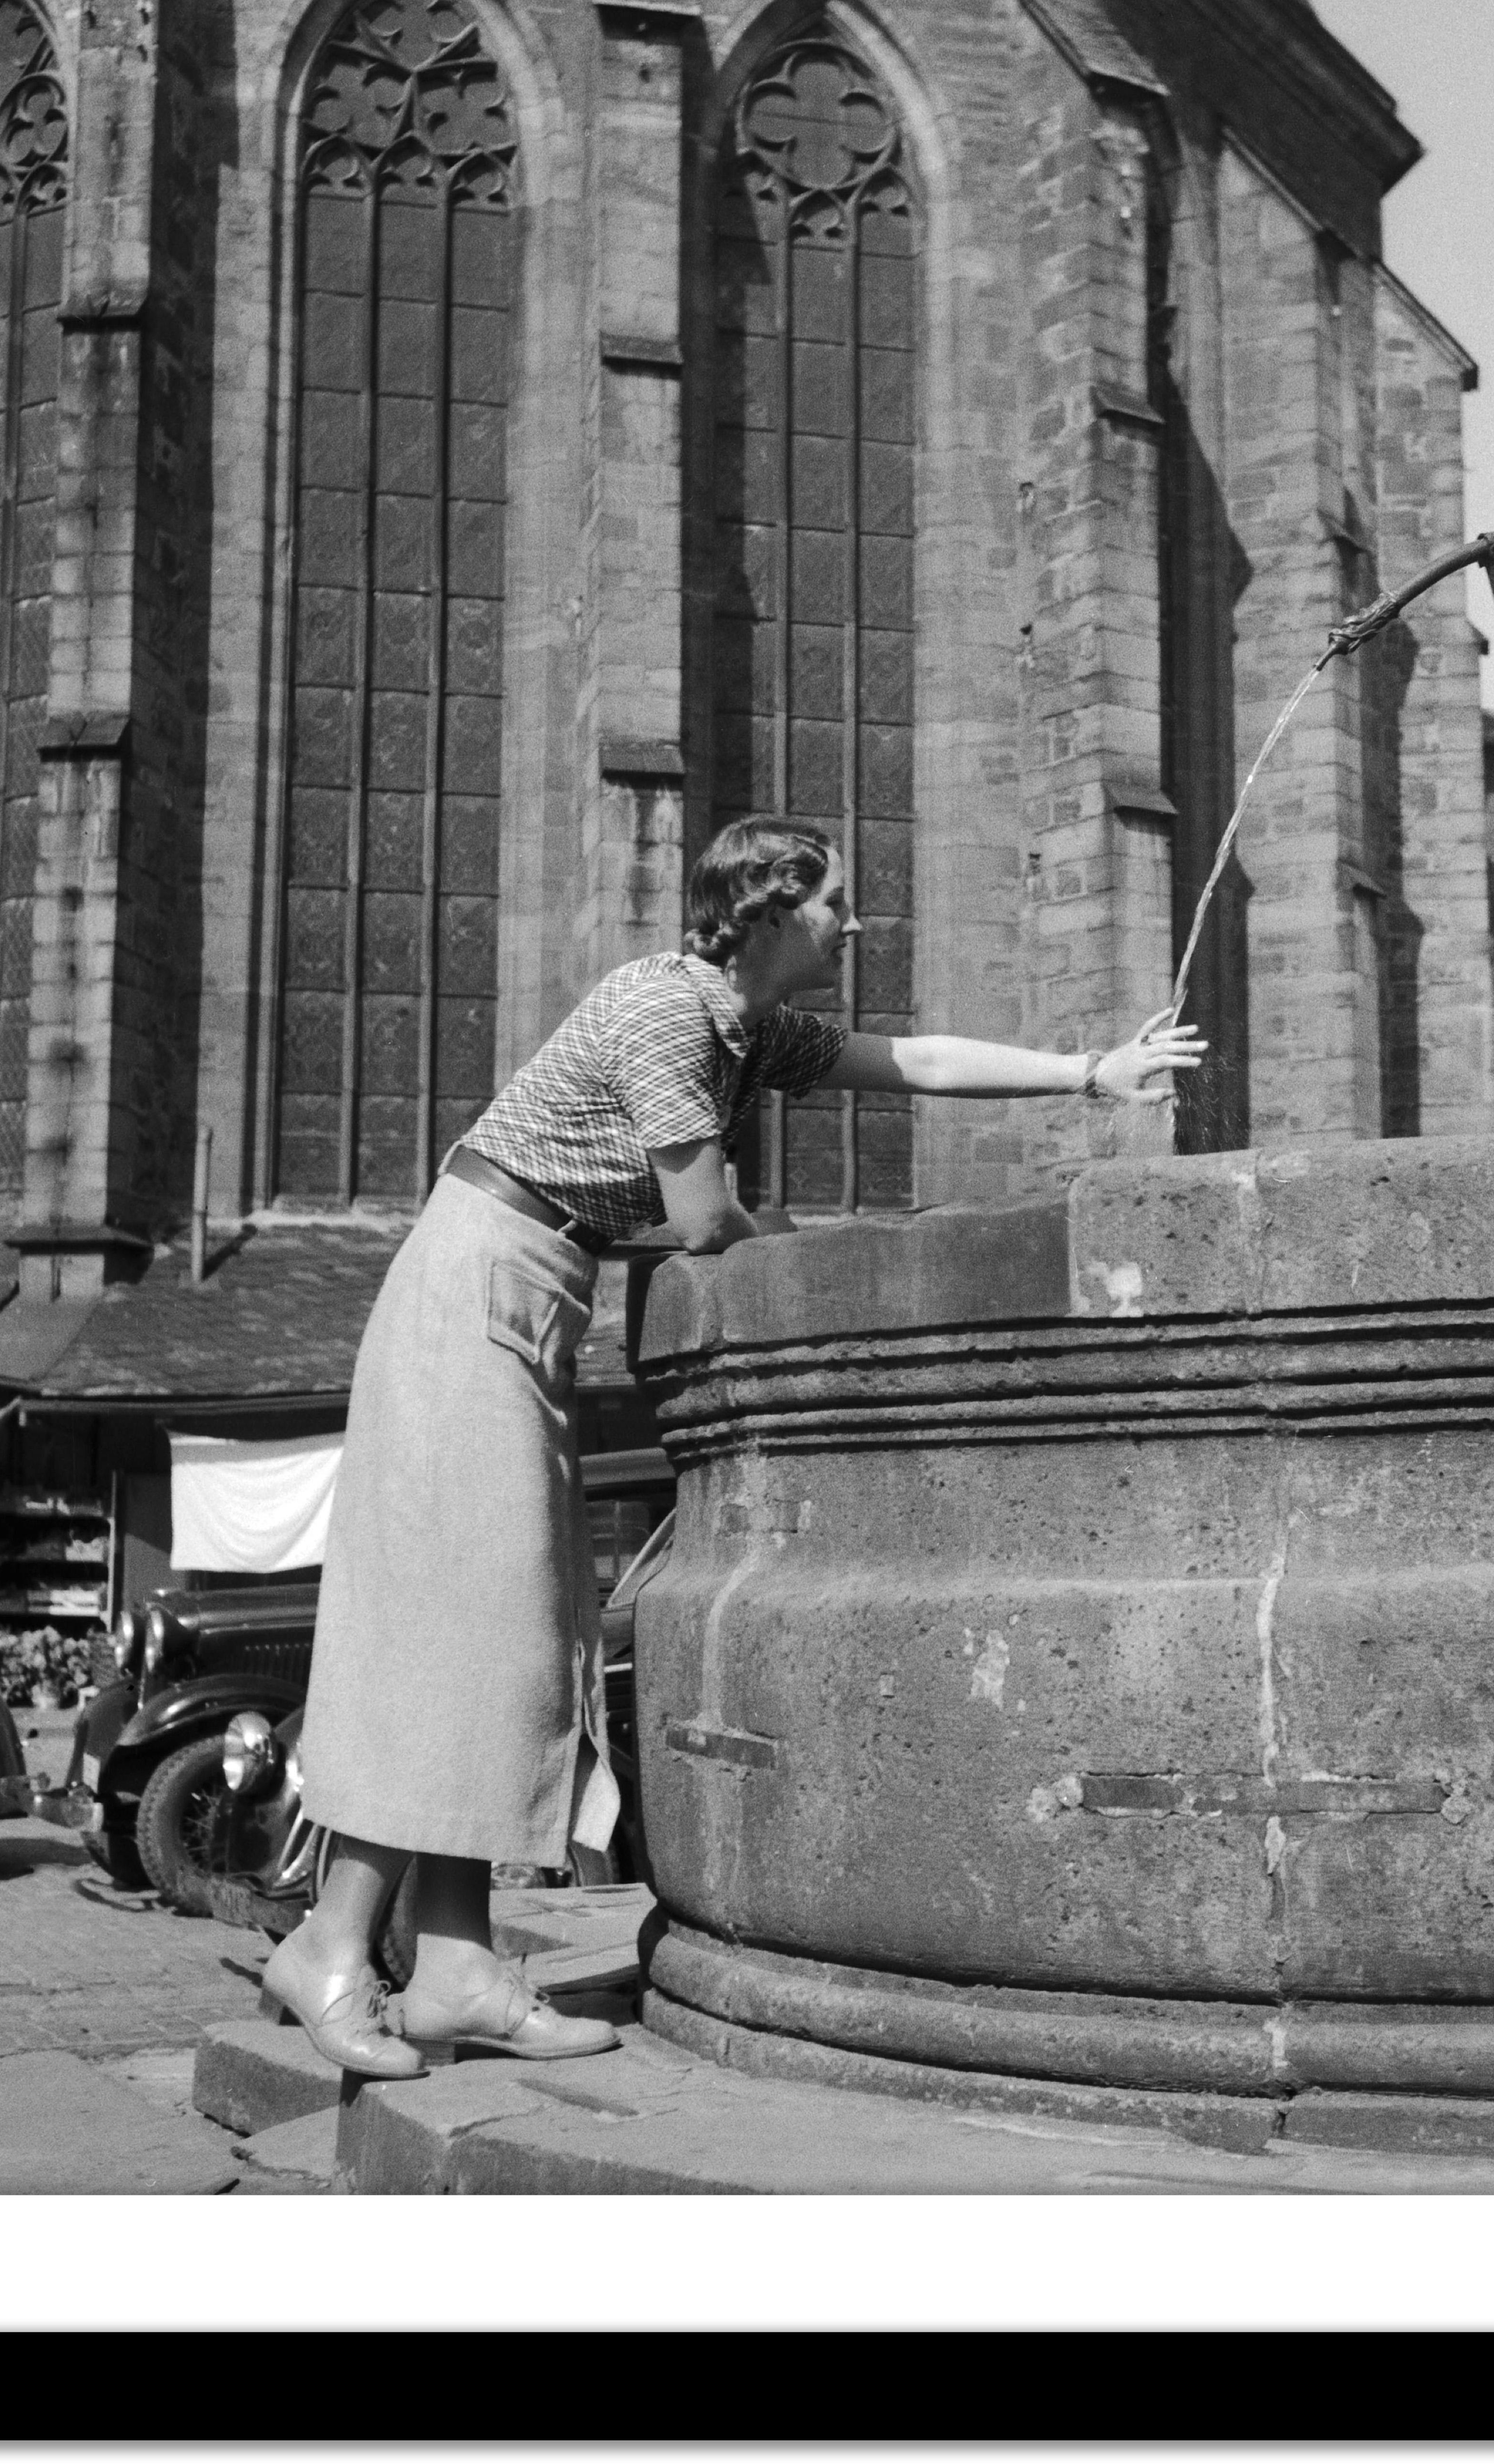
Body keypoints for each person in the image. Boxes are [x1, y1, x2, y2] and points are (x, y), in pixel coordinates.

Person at [259, 813, 1206, 2074]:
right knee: (466, 1626)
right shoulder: (666, 1011)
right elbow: (703, 1217)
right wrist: (818, 1266)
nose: (852, 922)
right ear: (763, 913)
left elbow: (913, 1058)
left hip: (529, 1293)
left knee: (511, 1635)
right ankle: (330, 1944)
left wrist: (1093, 1072)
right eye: (831, 901)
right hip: (474, 1286)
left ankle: (455, 1969)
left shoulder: (746, 1024)